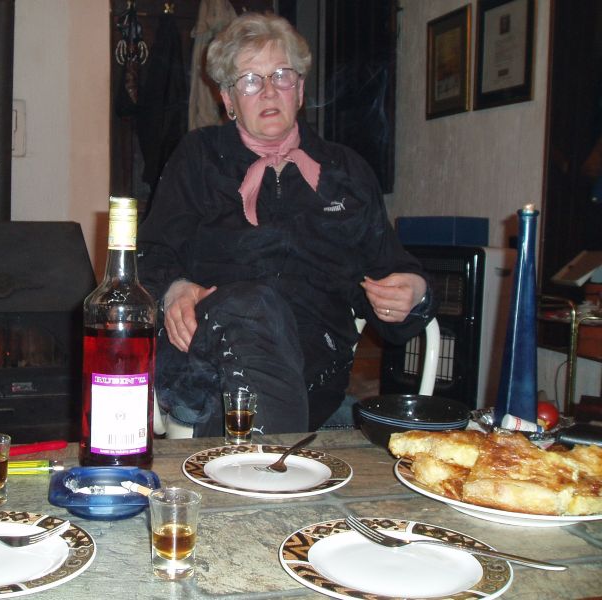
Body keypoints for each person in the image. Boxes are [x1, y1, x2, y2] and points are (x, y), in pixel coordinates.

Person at [137, 12, 435, 437]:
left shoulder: (346, 172)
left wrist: (412, 293)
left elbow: (392, 278)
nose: (268, 90)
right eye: (250, 80)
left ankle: (257, 457)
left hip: (314, 371)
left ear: (299, 89)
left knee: (266, 315)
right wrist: (175, 289)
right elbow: (149, 255)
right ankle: (269, 461)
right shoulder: (199, 158)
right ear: (227, 98)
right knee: (254, 304)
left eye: (281, 75)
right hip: (207, 362)